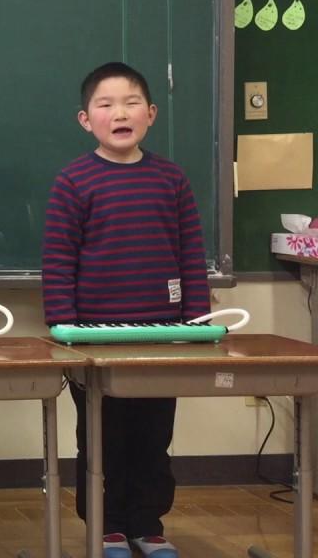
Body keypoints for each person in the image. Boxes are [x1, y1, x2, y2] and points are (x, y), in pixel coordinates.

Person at [42, 61, 210, 558]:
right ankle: (106, 526)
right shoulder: (73, 181)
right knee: (102, 440)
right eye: (106, 104)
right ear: (85, 119)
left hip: (162, 337)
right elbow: (58, 261)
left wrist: (196, 326)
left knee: (153, 438)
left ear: (151, 113)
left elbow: (191, 255)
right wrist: (65, 331)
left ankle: (147, 524)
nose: (120, 113)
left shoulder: (171, 179)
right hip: (95, 342)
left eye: (131, 103)